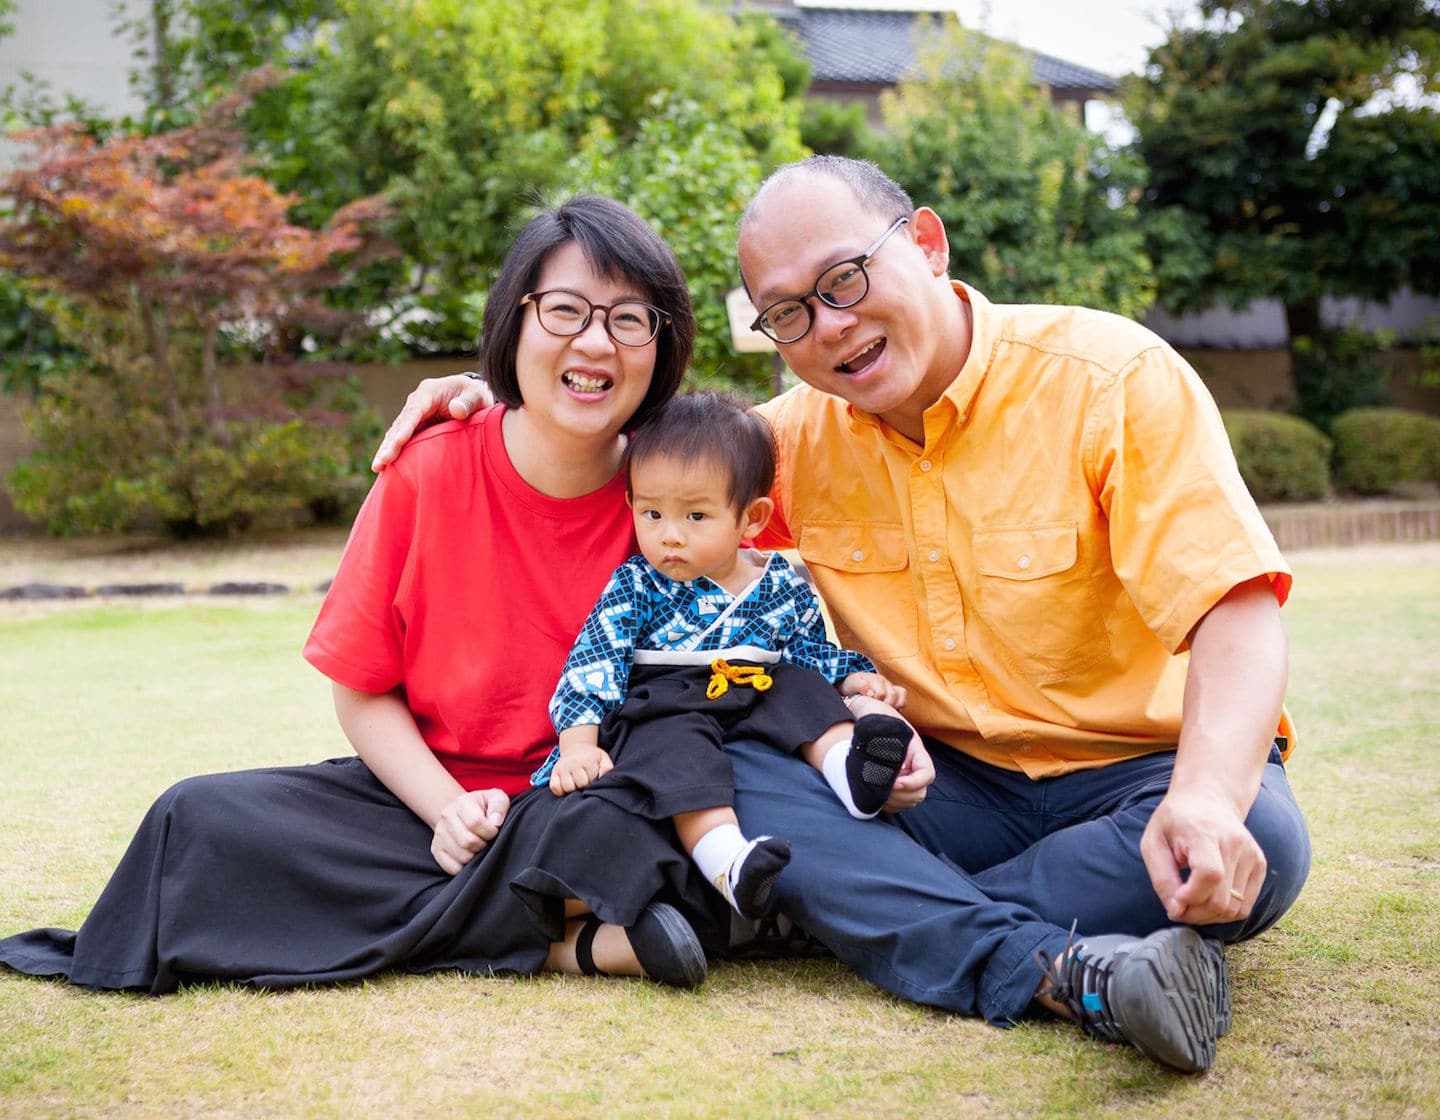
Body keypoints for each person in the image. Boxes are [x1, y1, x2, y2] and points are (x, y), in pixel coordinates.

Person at [372, 157, 1311, 1073]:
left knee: (1259, 838)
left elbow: (1233, 605)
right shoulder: (778, 447)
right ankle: (1045, 961)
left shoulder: (1109, 378)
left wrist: (1201, 796)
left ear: (929, 245)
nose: (830, 326)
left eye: (845, 279)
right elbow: (652, 479)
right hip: (931, 789)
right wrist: (496, 404)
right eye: (788, 313)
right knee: (733, 753)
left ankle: (874, 923)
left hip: (1134, 777)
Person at [0, 195, 729, 994]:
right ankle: (571, 936)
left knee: (651, 825)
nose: (594, 342)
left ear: (662, 345)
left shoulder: (680, 493)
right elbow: (363, 691)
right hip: (417, 804)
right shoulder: (428, 468)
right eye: (564, 311)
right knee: (192, 822)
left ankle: (556, 919)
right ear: (513, 322)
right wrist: (448, 810)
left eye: (630, 319)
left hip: (584, 794)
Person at [534, 390, 923, 920]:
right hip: (667, 703)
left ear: (751, 518)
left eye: (696, 516)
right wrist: (578, 745)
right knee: (679, 753)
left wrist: (855, 684)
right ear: (631, 505)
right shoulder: (636, 585)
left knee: (800, 685)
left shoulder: (781, 583)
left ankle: (852, 773)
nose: (669, 536)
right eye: (652, 513)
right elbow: (594, 663)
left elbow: (811, 651)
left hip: (756, 690)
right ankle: (729, 862)